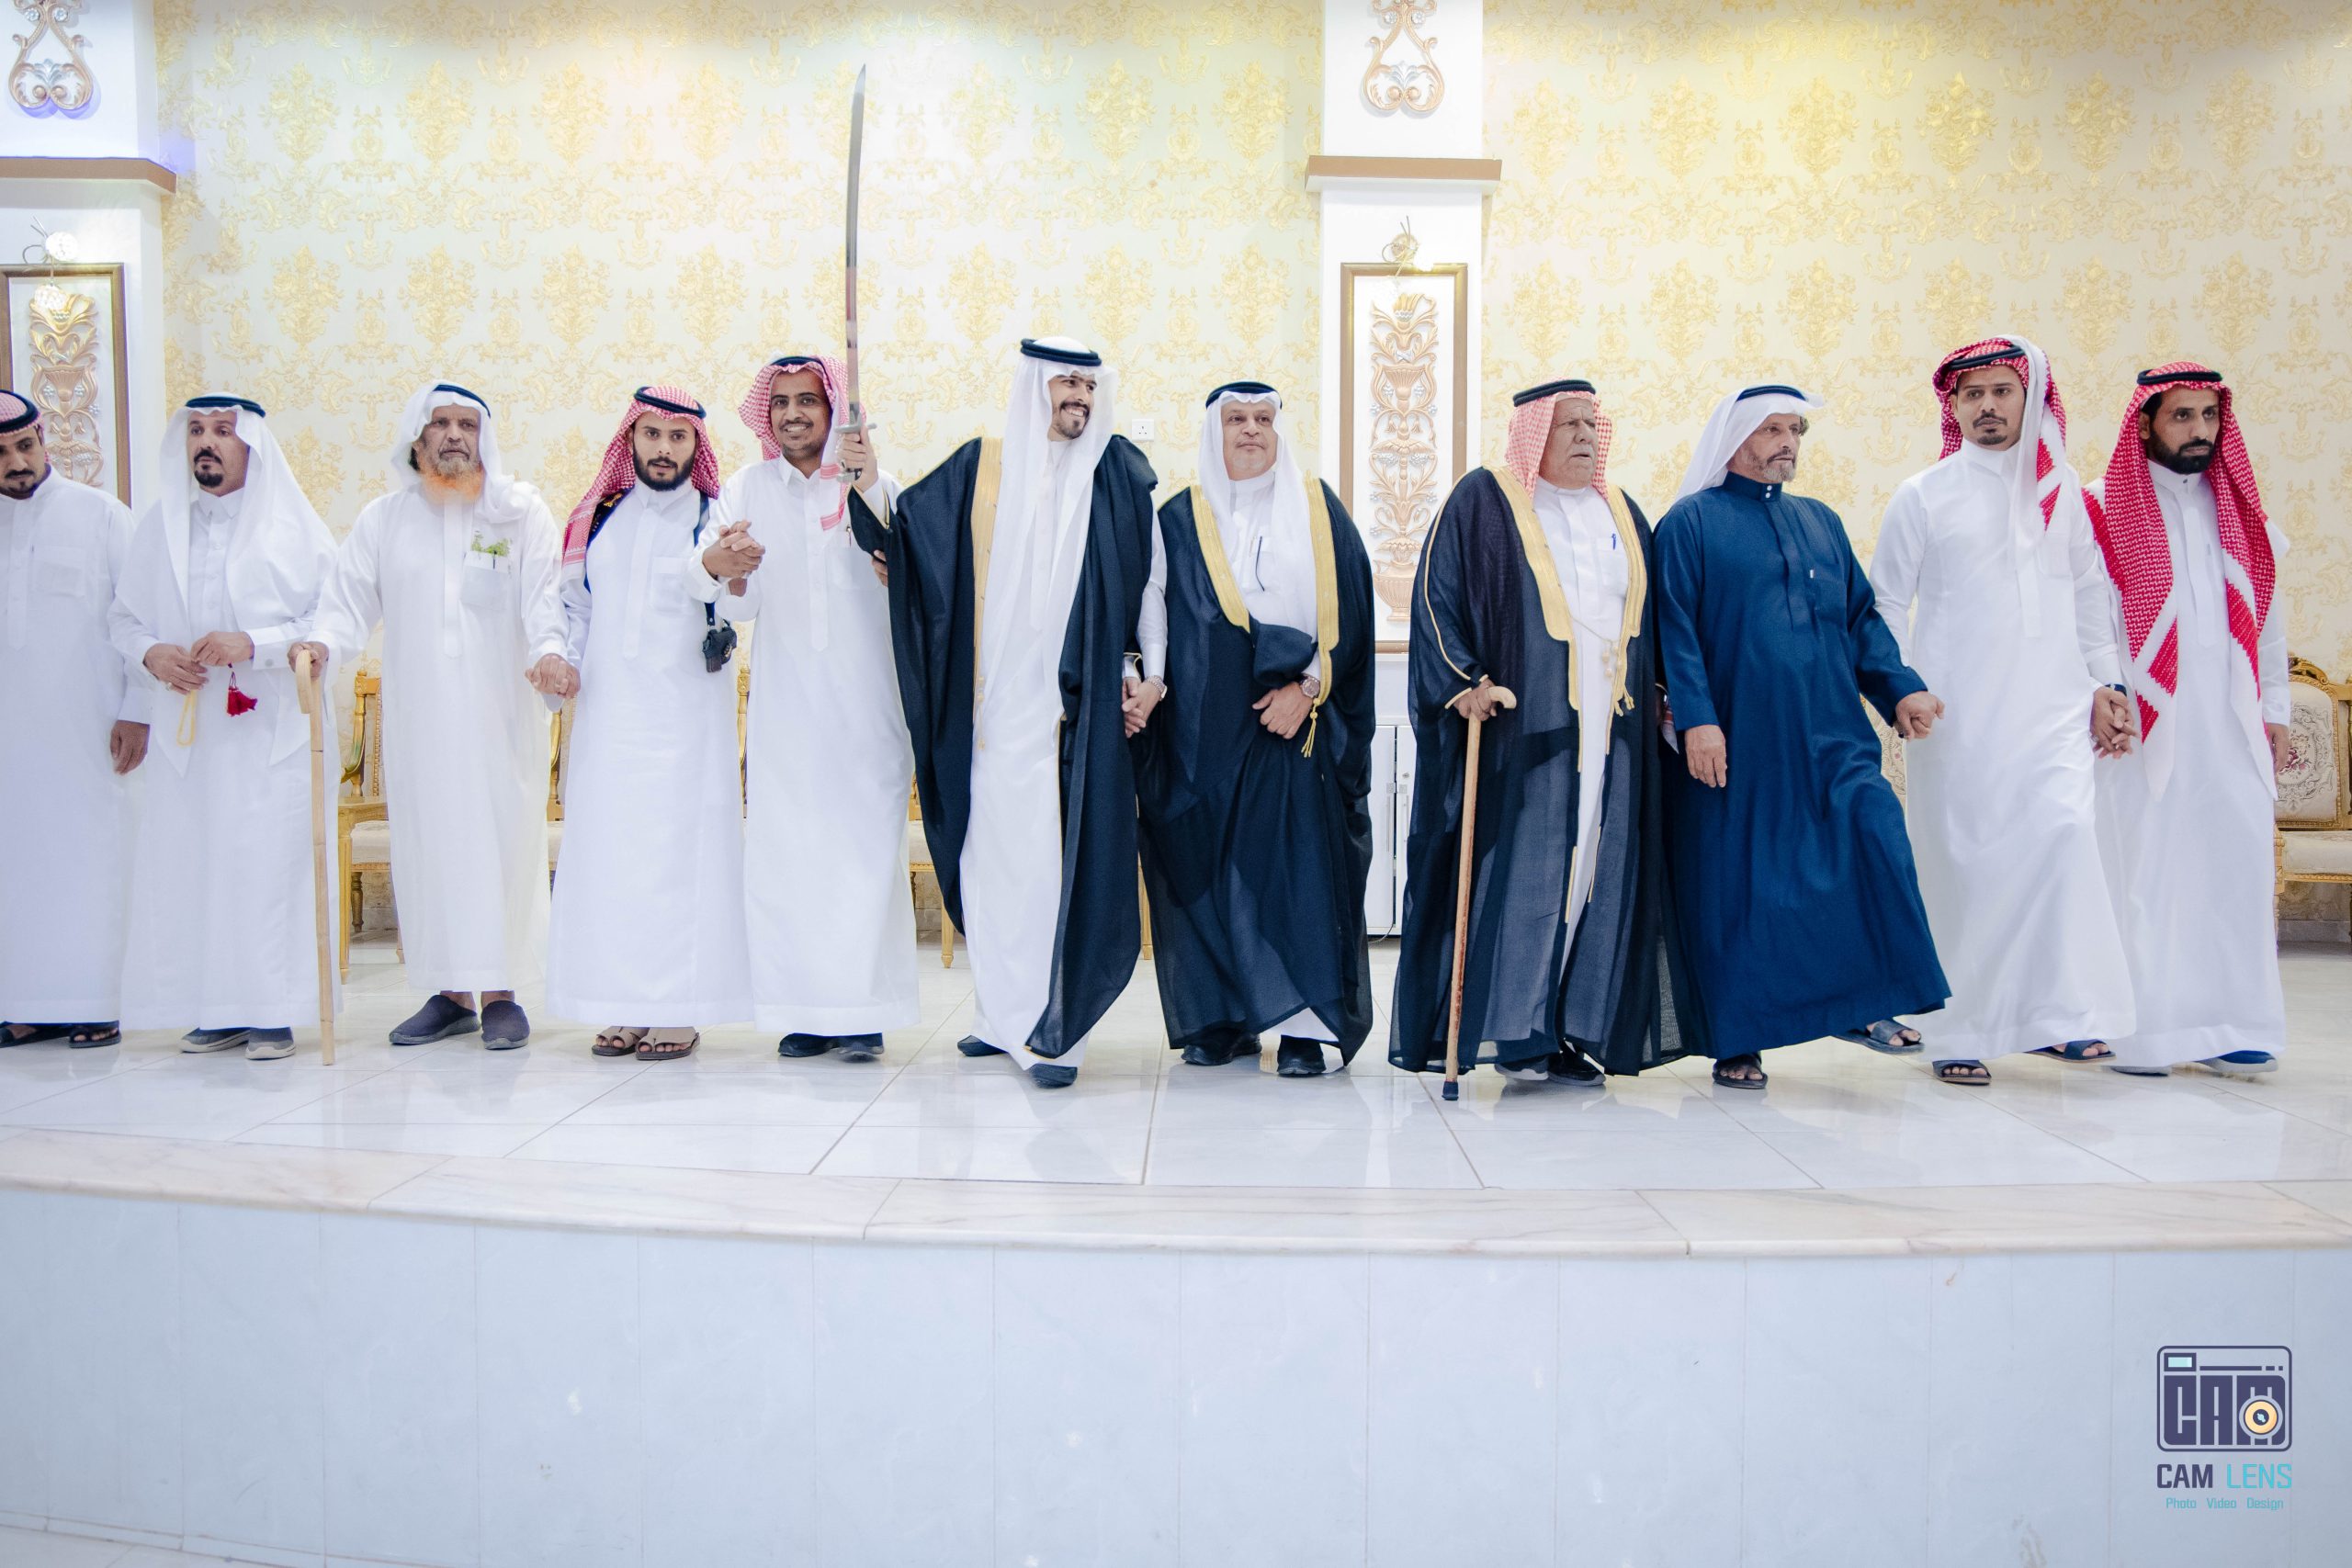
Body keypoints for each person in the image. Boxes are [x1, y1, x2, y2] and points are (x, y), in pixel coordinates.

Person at [851, 337, 1157, 1089]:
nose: (1079, 396)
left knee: (1049, 869)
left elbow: (1148, 581)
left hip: (1070, 714)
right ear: (1035, 386)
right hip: (987, 711)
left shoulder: (1117, 472)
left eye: (1089, 385)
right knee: (986, 864)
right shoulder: (980, 467)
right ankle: (999, 1015)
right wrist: (866, 479)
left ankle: (1055, 1034)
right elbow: (908, 535)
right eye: (1066, 383)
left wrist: (1146, 669)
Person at [1393, 378, 1702, 1085]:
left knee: (1594, 872)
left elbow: (1654, 620)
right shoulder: (1486, 501)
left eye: (1593, 423)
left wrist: (1662, 696)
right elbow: (1437, 598)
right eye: (1568, 424)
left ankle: (1566, 1025)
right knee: (1526, 876)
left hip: (1613, 732)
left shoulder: (1621, 512)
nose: (1585, 435)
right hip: (1522, 729)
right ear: (1533, 432)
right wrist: (1463, 681)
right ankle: (1513, 1028)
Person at [1653, 384, 1950, 1090]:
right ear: (1735, 439)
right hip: (1741, 741)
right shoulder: (1690, 523)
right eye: (1773, 430)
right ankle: (1738, 1039)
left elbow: (1860, 620)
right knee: (1742, 891)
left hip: (1833, 735)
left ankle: (1862, 1003)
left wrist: (1899, 687)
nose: (1788, 442)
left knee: (1873, 836)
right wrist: (1697, 719)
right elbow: (1675, 629)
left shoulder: (1820, 521)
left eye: (1795, 430)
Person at [1870, 338, 2136, 1085]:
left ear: (2029, 398)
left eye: (2001, 391)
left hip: (2055, 708)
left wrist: (2108, 685)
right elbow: (1885, 602)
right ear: (1953, 407)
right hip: (1959, 714)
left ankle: (2056, 1015)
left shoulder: (2064, 491)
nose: (1987, 406)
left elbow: (2090, 595)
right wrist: (1901, 688)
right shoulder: (1923, 494)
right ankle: (1962, 1026)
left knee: (2063, 837)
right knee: (1968, 865)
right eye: (1972, 394)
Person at [289, 381, 567, 1050]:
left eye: (466, 424)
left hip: (501, 720)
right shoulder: (384, 520)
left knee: (503, 845)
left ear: (484, 437)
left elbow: (543, 600)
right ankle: (449, 993)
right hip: (421, 722)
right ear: (416, 439)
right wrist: (321, 644)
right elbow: (345, 603)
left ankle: (501, 993)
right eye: (439, 423)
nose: (453, 435)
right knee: (431, 849)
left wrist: (550, 653)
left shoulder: (519, 513)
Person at [1134, 380, 1376, 1077]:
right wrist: (1149, 678)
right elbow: (1150, 604)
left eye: (1262, 418)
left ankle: (1305, 1027)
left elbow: (1352, 614)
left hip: (1290, 722)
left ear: (1278, 430)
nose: (1249, 430)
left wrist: (1308, 689)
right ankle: (1223, 1019)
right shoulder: (1179, 516)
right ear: (1214, 431)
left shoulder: (1318, 510)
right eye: (1236, 418)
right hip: (1200, 727)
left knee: (1295, 873)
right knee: (1206, 871)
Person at [109, 395, 339, 1060]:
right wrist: (151, 654)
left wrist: (255, 644)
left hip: (269, 731)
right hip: (190, 731)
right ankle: (214, 1008)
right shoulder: (160, 528)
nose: (206, 442)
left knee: (263, 866)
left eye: (222, 431)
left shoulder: (294, 530)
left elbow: (330, 623)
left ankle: (271, 1011)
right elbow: (124, 618)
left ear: (252, 446)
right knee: (194, 862)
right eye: (196, 431)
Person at [2087, 362, 2290, 1078]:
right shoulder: (2099, 507)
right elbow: (2088, 617)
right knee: (2147, 870)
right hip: (2143, 723)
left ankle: (2235, 1024)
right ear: (2145, 421)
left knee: (2234, 863)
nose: (2199, 430)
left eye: (2209, 415)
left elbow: (2268, 618)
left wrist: (2274, 708)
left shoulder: (2239, 509)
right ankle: (2144, 1031)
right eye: (2182, 415)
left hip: (2230, 723)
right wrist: (2100, 689)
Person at [546, 387, 752, 1061]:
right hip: (610, 720)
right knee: (615, 858)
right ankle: (626, 1001)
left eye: (678, 437)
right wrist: (560, 659)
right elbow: (575, 609)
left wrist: (723, 570)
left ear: (696, 446)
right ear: (631, 439)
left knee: (680, 859)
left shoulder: (716, 516)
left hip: (687, 722)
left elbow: (738, 600)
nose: (664, 449)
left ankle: (680, 1008)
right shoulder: (599, 518)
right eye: (652, 434)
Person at [719, 354, 911, 1062]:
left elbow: (911, 588)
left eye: (808, 400)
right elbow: (736, 608)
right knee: (793, 859)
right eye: (781, 402)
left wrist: (868, 486)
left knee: (864, 858)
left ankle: (861, 1011)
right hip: (787, 710)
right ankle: (805, 1009)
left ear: (833, 412)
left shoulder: (876, 483)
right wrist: (733, 569)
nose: (793, 413)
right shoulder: (745, 489)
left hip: (867, 708)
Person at [0, 390, 142, 1049]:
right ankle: (24, 1001)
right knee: (16, 866)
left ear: (44, 441)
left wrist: (137, 711)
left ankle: (98, 1001)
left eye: (25, 446)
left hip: (89, 729)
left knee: (91, 861)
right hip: (11, 739)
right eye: (2, 453)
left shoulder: (101, 516)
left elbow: (140, 620)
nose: (16, 462)